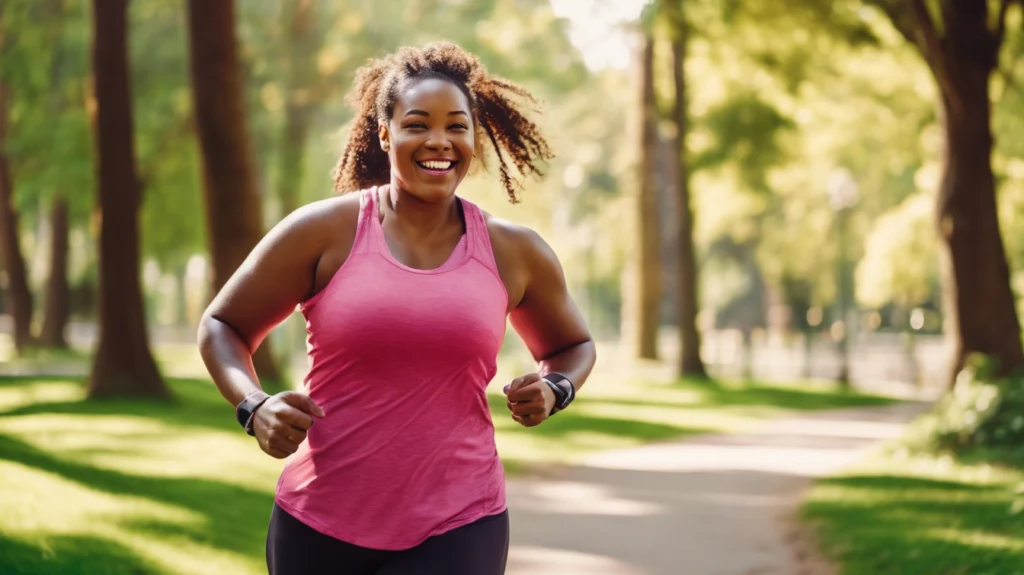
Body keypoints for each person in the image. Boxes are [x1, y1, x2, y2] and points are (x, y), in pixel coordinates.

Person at [198, 41, 596, 575]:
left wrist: (556, 387)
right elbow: (223, 325)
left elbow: (573, 345)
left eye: (457, 126)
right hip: (320, 522)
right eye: (417, 124)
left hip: (459, 522)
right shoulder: (323, 232)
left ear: (475, 139)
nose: (439, 140)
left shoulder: (513, 251)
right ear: (384, 133)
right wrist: (253, 405)